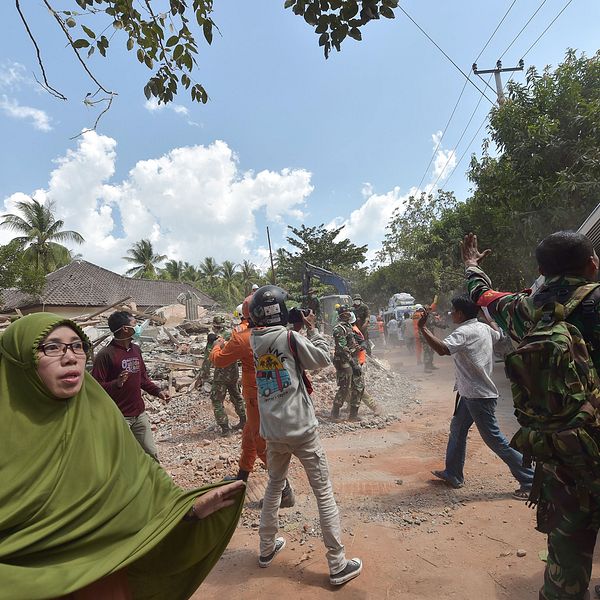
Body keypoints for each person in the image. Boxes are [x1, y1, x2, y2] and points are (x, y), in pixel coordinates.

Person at [0, 313, 245, 600]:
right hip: (26, 586)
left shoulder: (100, 416)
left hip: (102, 580)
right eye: (52, 348)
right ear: (20, 360)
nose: (70, 357)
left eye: (77, 346)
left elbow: (142, 476)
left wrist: (186, 510)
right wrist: (117, 384)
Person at [462, 231, 600, 600]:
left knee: (567, 549)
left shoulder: (525, 309)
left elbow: (483, 297)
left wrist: (473, 265)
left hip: (564, 453)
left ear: (540, 270)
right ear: (592, 265)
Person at [249, 285, 362, 586]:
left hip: (272, 432)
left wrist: (293, 325)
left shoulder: (252, 340)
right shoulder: (289, 337)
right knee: (322, 491)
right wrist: (314, 329)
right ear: (282, 312)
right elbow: (322, 358)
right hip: (301, 429)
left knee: (274, 486)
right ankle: (337, 564)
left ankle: (265, 548)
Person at [418, 295, 534, 498]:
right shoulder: (483, 328)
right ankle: (453, 473)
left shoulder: (463, 332)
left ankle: (530, 480)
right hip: (470, 393)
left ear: (461, 313)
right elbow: (498, 333)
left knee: (495, 440)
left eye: (453, 310)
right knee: (458, 428)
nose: (451, 313)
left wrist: (423, 328)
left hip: (477, 396)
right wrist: (488, 315)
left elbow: (443, 350)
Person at [210, 303, 295, 507]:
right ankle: (241, 479)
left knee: (260, 444)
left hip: (256, 396)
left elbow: (219, 360)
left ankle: (285, 491)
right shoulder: (277, 332)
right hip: (272, 390)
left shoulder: (243, 337)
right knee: (249, 437)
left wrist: (216, 343)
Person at [91, 310, 170, 461]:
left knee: (151, 455)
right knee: (121, 459)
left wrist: (158, 392)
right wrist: (117, 383)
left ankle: (155, 484)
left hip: (139, 414)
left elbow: (142, 379)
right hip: (118, 417)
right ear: (125, 329)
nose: (139, 327)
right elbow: (95, 388)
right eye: (135, 324)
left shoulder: (136, 350)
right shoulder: (106, 355)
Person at [200, 315, 246, 437]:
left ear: (214, 325)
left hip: (221, 375)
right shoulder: (232, 335)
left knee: (217, 400)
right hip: (233, 373)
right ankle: (244, 421)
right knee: (236, 396)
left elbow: (208, 358)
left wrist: (204, 374)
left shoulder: (214, 338)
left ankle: (225, 428)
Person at [331, 304, 363, 421]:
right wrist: (353, 364)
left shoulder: (349, 326)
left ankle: (353, 414)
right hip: (344, 361)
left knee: (358, 385)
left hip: (353, 359)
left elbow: (352, 343)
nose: (348, 314)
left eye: (348, 312)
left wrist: (358, 346)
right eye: (345, 312)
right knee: (344, 387)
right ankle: (335, 413)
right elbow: (342, 349)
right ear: (341, 315)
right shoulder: (339, 329)